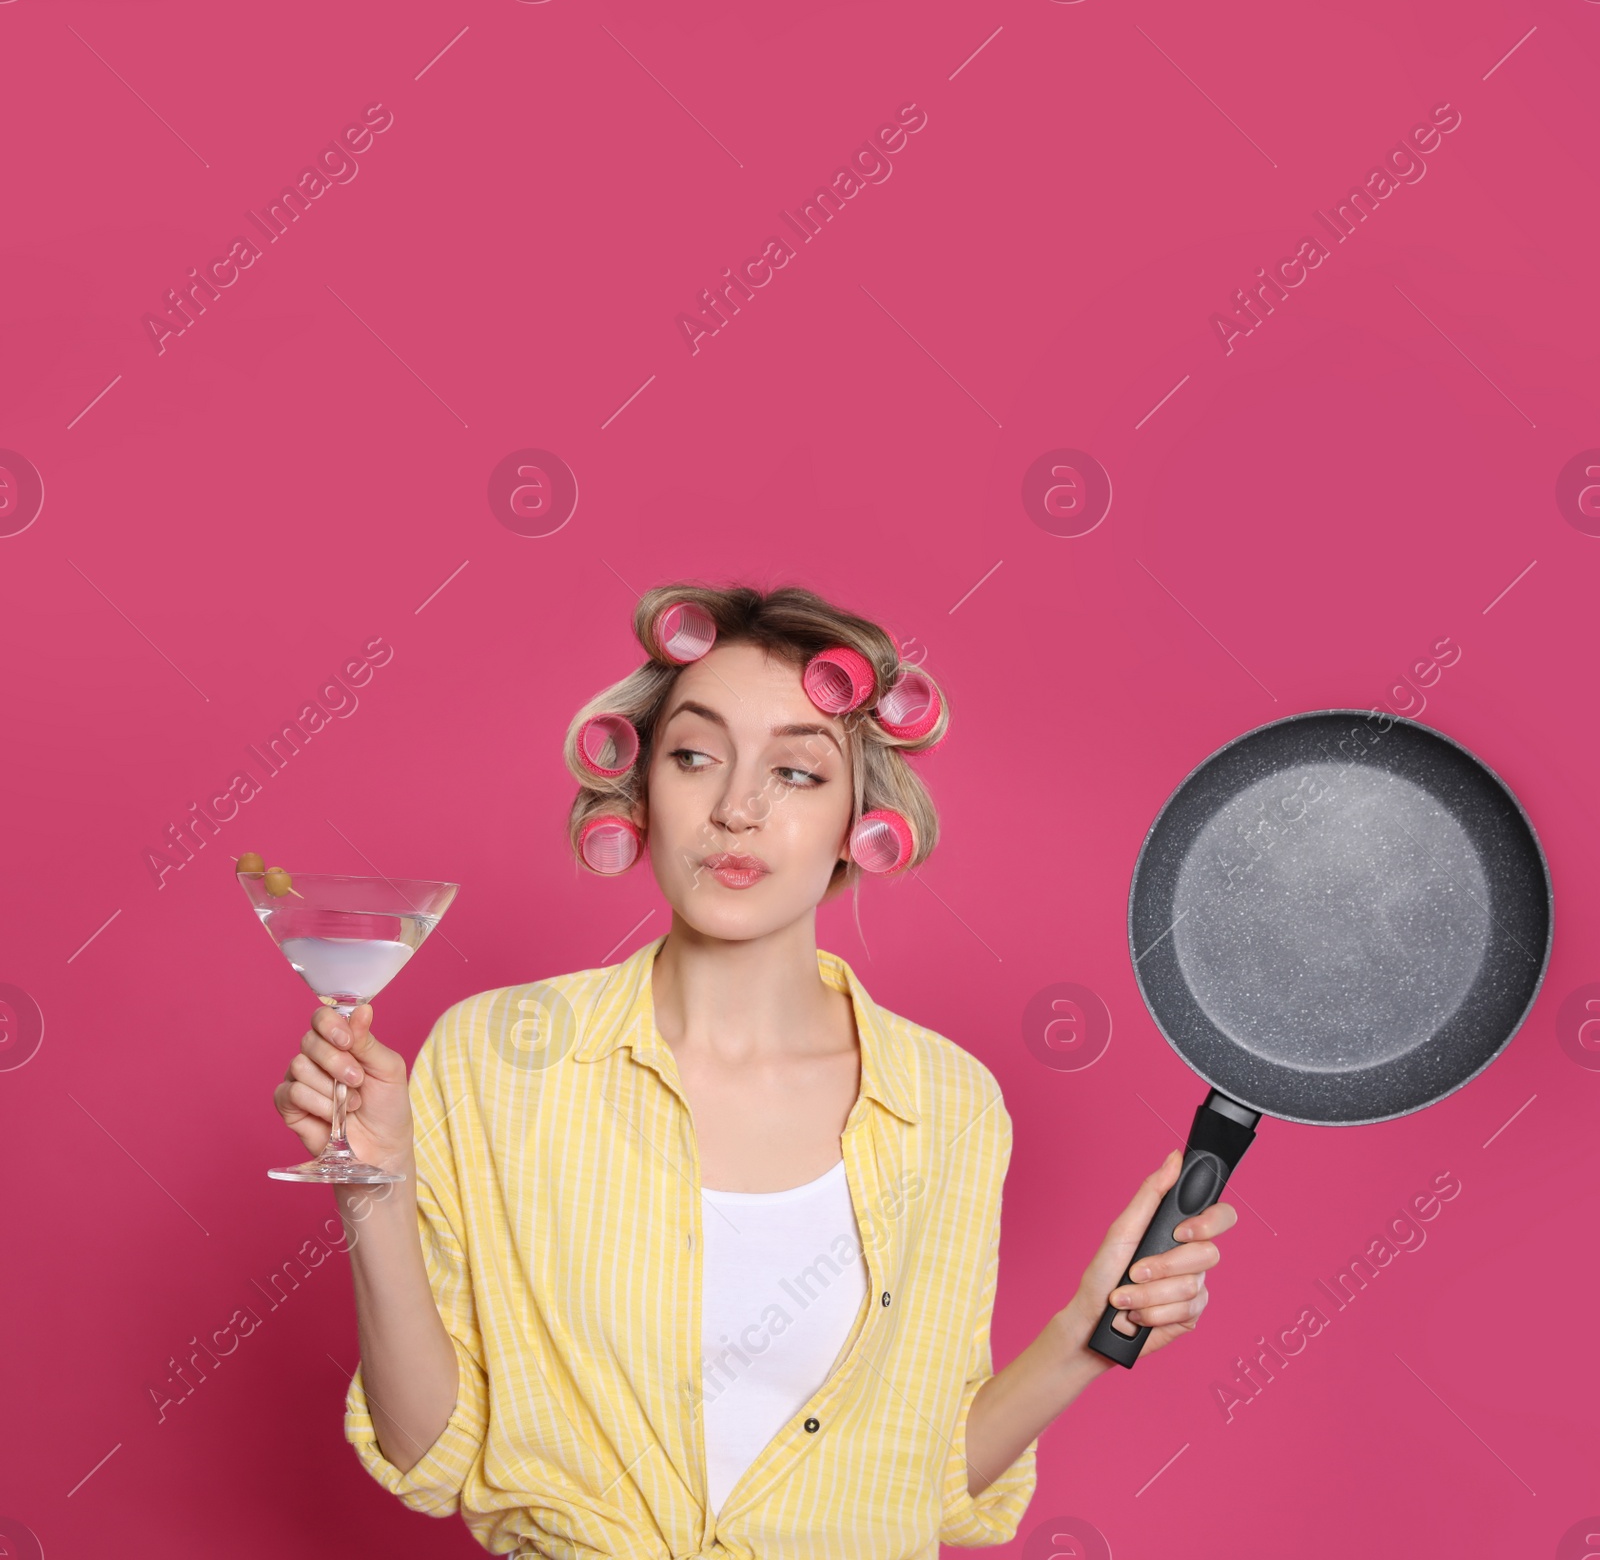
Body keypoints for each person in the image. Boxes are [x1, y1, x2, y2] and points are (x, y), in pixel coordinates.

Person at [273, 581, 1238, 1559]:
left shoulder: (946, 1105)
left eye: (796, 773)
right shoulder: (497, 1057)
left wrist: (1084, 1329)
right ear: (641, 786)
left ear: (861, 820)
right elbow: (429, 1448)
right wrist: (375, 1188)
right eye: (695, 756)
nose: (737, 807)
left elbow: (924, 1482)